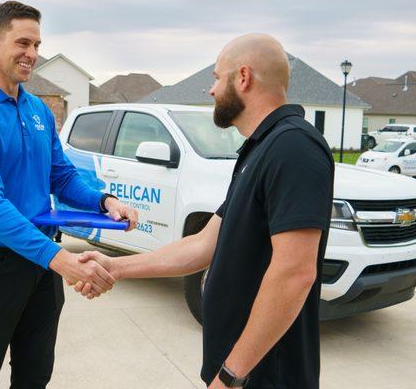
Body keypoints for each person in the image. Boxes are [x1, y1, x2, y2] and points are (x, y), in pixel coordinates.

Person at [75, 33, 334, 388]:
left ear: (243, 77)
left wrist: (230, 376)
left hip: (267, 375)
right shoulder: (258, 149)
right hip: (238, 370)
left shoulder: (294, 147)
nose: (211, 90)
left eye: (216, 77)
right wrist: (116, 266)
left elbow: (294, 273)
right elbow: (203, 244)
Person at [0, 1, 137, 389]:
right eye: (23, 42)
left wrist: (105, 201)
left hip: (41, 264)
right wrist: (63, 260)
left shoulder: (38, 110)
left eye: (37, 45)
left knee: (35, 374)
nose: (32, 54)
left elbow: (61, 177)